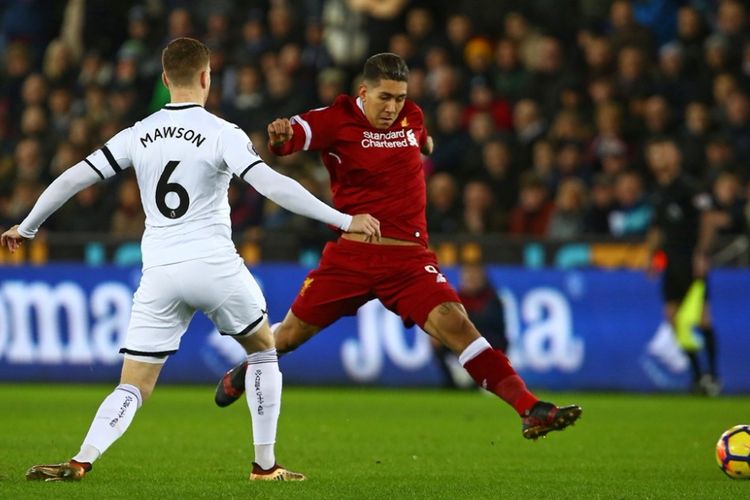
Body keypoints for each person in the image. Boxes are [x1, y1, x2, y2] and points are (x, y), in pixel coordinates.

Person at [0, 37, 381, 482]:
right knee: (262, 352)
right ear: (206, 77)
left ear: (165, 80)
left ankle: (82, 458)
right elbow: (273, 187)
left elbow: (72, 178)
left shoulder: (136, 133)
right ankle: (264, 466)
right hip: (214, 264)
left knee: (133, 384)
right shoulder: (223, 133)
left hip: (159, 271)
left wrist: (26, 226)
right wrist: (342, 218)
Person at [214, 53, 582, 440]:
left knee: (457, 325)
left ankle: (529, 408)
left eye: (400, 98)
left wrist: (426, 143)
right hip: (353, 255)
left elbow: (421, 137)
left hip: (408, 259)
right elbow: (292, 136)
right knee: (287, 337)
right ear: (363, 92)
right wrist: (281, 134)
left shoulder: (413, 116)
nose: (392, 107)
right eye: (384, 97)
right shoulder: (335, 119)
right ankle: (247, 367)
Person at [645, 136, 720, 395]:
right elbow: (658, 229)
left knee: (701, 317)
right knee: (673, 319)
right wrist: (651, 256)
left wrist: (702, 252)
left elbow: (708, 221)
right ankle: (697, 376)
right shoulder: (657, 191)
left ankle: (713, 375)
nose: (659, 158)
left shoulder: (690, 187)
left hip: (691, 260)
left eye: (664, 152)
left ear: (675, 157)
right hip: (671, 263)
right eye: (655, 154)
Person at [432, 262, 508, 388]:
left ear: (482, 279)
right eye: (467, 277)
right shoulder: (456, 298)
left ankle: (479, 382)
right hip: (462, 343)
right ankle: (451, 384)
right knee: (437, 341)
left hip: (488, 344)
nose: (470, 280)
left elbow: (493, 326)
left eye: (474, 277)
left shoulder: (492, 299)